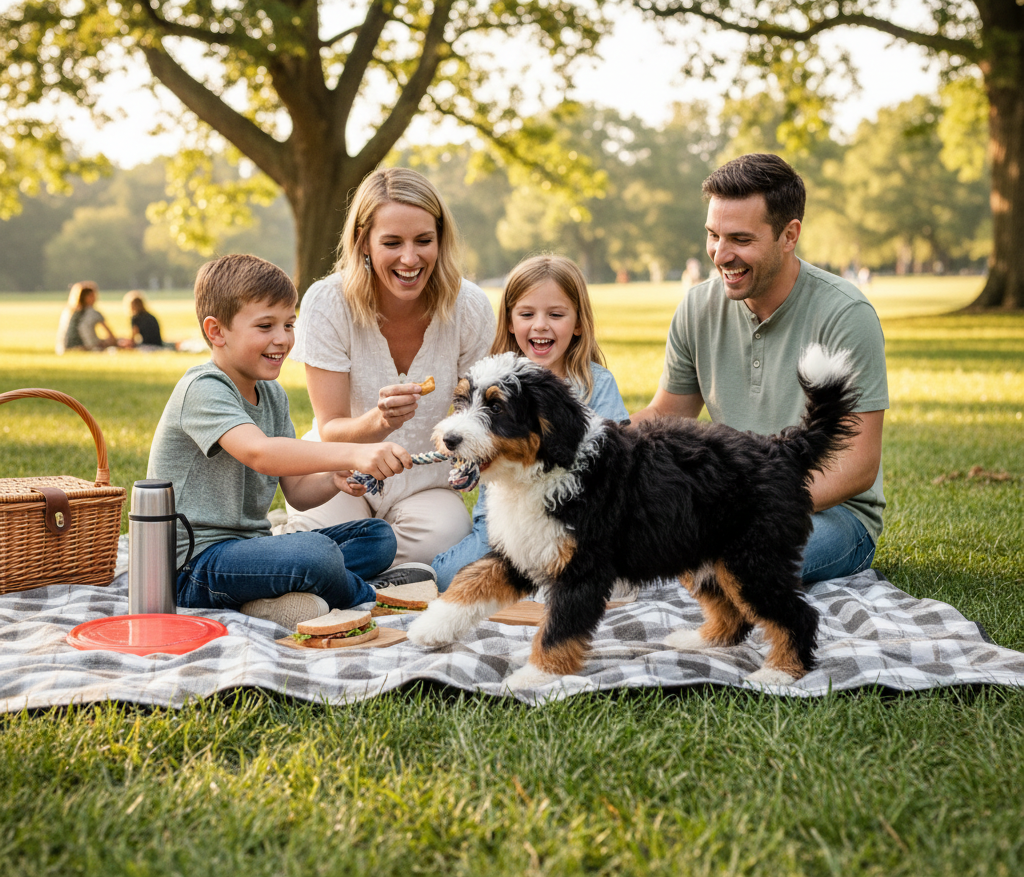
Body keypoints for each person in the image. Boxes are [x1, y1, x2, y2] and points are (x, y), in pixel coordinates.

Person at [633, 152, 888, 583]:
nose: (720, 254)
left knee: (735, 565)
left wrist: (747, 507)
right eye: (713, 235)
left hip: (832, 514)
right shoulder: (697, 307)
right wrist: (594, 443)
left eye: (740, 239)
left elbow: (859, 464)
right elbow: (666, 414)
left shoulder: (846, 313)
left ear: (789, 236)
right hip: (732, 502)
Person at [147, 253, 419, 630]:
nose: (282, 339)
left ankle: (272, 597)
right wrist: (355, 452)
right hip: (193, 566)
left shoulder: (272, 396)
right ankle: (374, 595)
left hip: (249, 552)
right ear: (216, 332)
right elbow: (260, 453)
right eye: (265, 326)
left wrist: (333, 478)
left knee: (376, 536)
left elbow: (297, 493)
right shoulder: (203, 388)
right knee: (316, 553)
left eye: (289, 324)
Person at [280, 167, 496, 567]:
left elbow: (478, 415)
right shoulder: (327, 302)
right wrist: (379, 422)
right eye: (392, 242)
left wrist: (471, 458)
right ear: (364, 241)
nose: (410, 258)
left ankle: (351, 570)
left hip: (425, 483)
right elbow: (331, 428)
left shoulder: (469, 306)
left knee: (443, 542)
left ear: (440, 239)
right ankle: (353, 563)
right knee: (323, 543)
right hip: (341, 472)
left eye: (424, 241)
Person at [432, 255, 630, 590]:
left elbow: (618, 463)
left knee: (594, 575)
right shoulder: (492, 381)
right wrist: (469, 468)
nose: (540, 325)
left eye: (556, 314)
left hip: (574, 519)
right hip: (504, 520)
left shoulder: (596, 383)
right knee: (453, 575)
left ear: (578, 323)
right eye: (526, 314)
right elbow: (470, 440)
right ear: (510, 322)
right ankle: (427, 575)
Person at [55, 281, 128, 354]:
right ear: (86, 297)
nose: (96, 298)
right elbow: (110, 336)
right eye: (93, 296)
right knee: (120, 341)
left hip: (63, 348)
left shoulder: (67, 312)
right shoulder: (92, 313)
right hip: (84, 347)